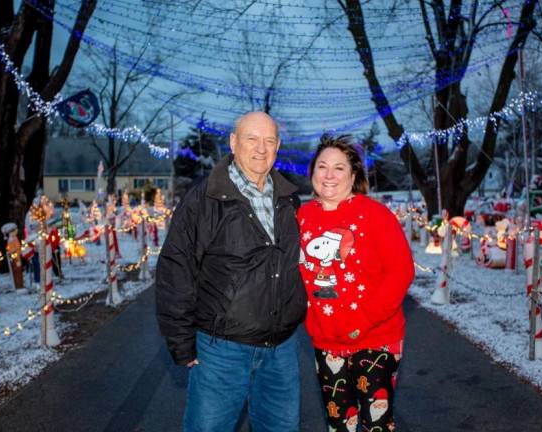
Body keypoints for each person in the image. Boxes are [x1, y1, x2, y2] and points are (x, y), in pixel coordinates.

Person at [155, 112, 307, 432]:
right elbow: (176, 267)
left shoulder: (289, 197)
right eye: (252, 139)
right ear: (233, 142)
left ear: (278, 146)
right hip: (221, 350)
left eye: (269, 141)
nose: (261, 148)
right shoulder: (205, 196)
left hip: (280, 351)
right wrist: (181, 341)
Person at [298, 134, 415, 431]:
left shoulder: (376, 215)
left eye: (339, 168)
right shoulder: (301, 217)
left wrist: (361, 320)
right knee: (339, 423)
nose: (329, 175)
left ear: (353, 175)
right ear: (312, 173)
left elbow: (401, 271)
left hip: (376, 339)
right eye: (322, 166)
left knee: (376, 424)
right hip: (326, 343)